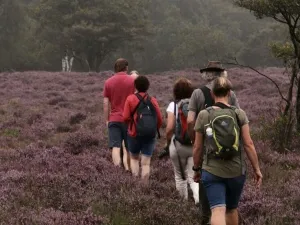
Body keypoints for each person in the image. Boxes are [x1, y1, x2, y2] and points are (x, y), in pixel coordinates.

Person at [193, 77, 263, 225]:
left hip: (211, 171)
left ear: (212, 93)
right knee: (231, 209)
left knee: (217, 210)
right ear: (230, 93)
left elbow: (198, 147)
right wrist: (257, 169)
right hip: (236, 171)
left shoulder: (204, 115)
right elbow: (249, 144)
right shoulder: (239, 114)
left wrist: (196, 169)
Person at [187, 61, 240, 225]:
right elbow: (238, 118)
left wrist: (195, 138)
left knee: (208, 201)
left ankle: (207, 219)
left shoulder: (198, 93)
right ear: (221, 74)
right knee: (230, 207)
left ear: (207, 74)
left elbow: (189, 121)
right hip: (231, 153)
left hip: (207, 153)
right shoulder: (230, 94)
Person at [123, 75, 163, 185]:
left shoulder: (130, 99)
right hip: (150, 135)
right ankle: (144, 186)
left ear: (135, 86)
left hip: (134, 134)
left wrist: (132, 125)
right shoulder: (153, 100)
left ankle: (136, 184)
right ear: (148, 86)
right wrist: (153, 129)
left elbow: (125, 117)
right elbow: (159, 118)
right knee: (146, 163)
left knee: (134, 159)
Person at [165, 78, 199, 205]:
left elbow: (169, 128)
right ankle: (198, 199)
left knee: (180, 176)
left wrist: (168, 143)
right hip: (194, 144)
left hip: (178, 145)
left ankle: (183, 204)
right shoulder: (195, 104)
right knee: (193, 175)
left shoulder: (173, 105)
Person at [103, 58, 135, 171]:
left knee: (115, 146)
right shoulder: (132, 81)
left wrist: (107, 119)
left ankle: (117, 170)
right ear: (126, 68)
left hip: (114, 118)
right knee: (128, 146)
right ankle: (129, 169)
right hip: (129, 119)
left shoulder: (108, 82)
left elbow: (106, 103)